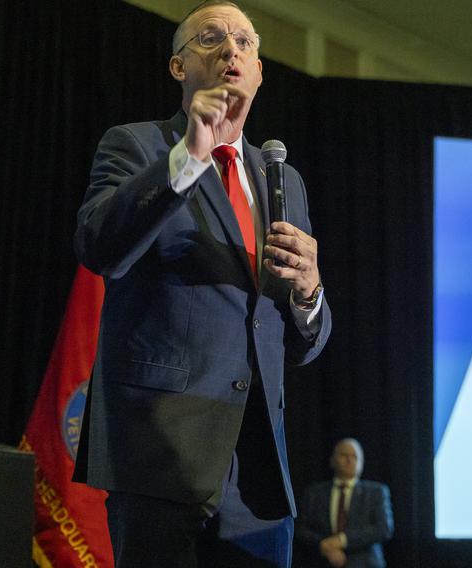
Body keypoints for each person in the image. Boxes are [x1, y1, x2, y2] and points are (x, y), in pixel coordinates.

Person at [71, 1, 331, 566]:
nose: (231, 50)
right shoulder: (137, 145)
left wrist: (309, 291)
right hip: (162, 451)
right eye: (211, 38)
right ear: (179, 68)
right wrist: (191, 153)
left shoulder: (283, 178)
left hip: (260, 466)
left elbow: (300, 339)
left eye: (245, 41)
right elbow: (99, 247)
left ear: (260, 70)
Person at [296, 439, 393, 567]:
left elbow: (384, 528)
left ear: (361, 463)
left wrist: (341, 540)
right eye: (344, 455)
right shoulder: (313, 493)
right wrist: (323, 545)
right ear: (332, 460)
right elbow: (300, 528)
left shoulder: (377, 492)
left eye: (355, 456)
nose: (349, 460)